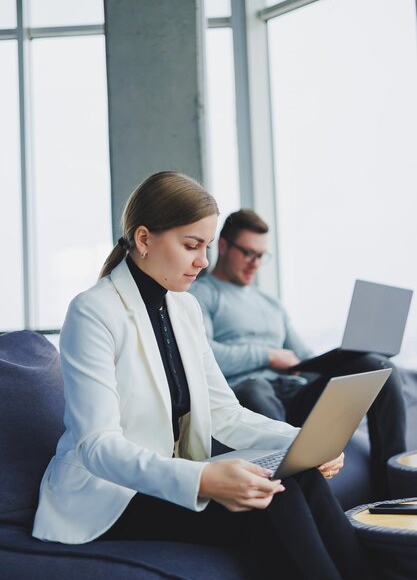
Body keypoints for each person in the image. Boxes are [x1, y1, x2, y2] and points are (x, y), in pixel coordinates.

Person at [32, 172, 373, 579]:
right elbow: (97, 447)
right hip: (110, 494)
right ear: (143, 239)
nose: (204, 261)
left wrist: (303, 443)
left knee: (298, 477)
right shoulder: (93, 312)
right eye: (191, 245)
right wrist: (203, 479)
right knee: (275, 499)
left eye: (206, 246)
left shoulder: (184, 309)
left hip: (170, 474)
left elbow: (225, 413)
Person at [190, 208, 406, 500]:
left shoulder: (271, 305)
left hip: (294, 395)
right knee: (256, 387)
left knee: (376, 367)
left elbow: (303, 359)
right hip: (247, 396)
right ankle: (294, 497)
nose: (255, 263)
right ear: (225, 246)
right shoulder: (200, 295)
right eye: (248, 253)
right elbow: (205, 355)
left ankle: (395, 489)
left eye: (261, 256)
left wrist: (341, 358)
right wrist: (267, 356)